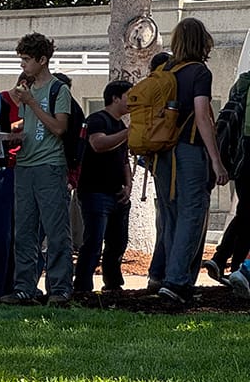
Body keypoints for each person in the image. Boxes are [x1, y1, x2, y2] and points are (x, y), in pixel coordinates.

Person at [149, 18, 228, 303]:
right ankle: (177, 281)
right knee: (192, 214)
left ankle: (168, 277)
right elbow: (203, 117)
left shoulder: (164, 70)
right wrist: (216, 160)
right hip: (189, 150)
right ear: (201, 41)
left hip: (161, 153)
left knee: (170, 217)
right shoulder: (199, 72)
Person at [0, 32, 74, 306]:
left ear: (42, 60)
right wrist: (10, 136)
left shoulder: (58, 90)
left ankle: (60, 288)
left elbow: (59, 128)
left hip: (50, 166)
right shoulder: (26, 90)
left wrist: (31, 102)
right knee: (24, 231)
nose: (23, 65)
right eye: (21, 59)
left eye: (27, 60)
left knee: (56, 231)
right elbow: (28, 126)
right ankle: (24, 288)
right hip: (25, 165)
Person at [72, 81, 133, 296]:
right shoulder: (97, 120)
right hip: (95, 191)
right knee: (94, 242)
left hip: (117, 193)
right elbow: (98, 144)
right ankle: (82, 287)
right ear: (115, 98)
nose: (132, 101)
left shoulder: (121, 125)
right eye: (129, 96)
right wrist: (128, 133)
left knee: (118, 242)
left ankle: (113, 283)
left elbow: (124, 159)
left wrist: (128, 185)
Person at [204, 70, 250, 284]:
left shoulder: (243, 82)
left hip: (240, 155)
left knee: (245, 213)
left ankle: (224, 260)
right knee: (246, 214)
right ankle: (237, 268)